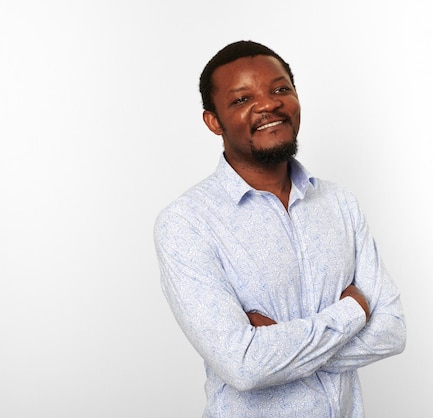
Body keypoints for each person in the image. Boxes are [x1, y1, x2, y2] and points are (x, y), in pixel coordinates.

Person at [154, 40, 406, 417]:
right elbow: (244, 365)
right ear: (213, 121)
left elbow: (391, 331)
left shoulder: (340, 203)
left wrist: (277, 348)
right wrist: (353, 310)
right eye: (241, 100)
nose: (268, 104)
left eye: (279, 89)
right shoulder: (186, 224)